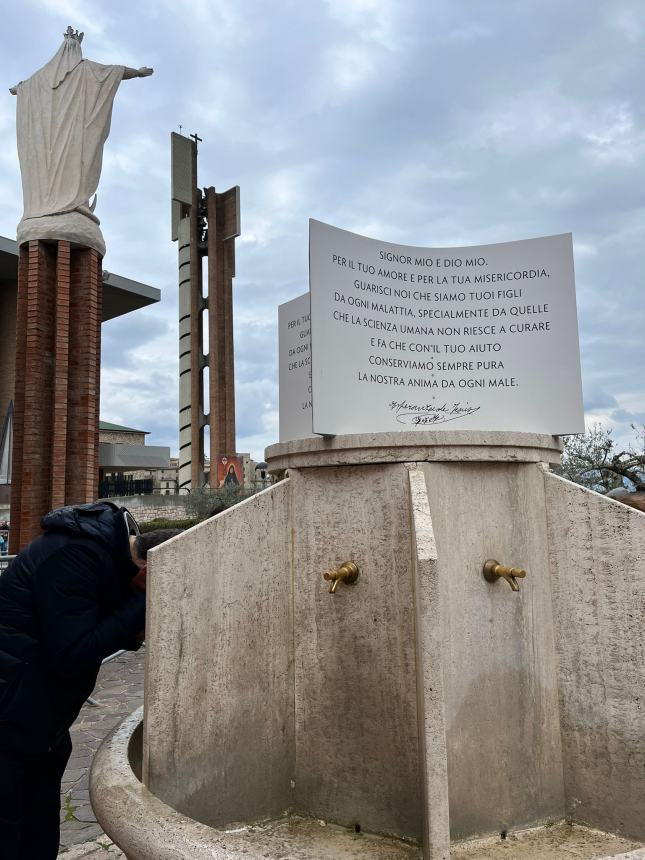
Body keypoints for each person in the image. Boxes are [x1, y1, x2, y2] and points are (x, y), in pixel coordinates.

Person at [0, 501, 181, 859]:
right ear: (148, 569)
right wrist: (140, 603)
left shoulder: (102, 557)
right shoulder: (75, 557)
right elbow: (72, 652)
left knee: (37, 833)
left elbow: (89, 622)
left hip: (39, 721)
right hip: (10, 718)